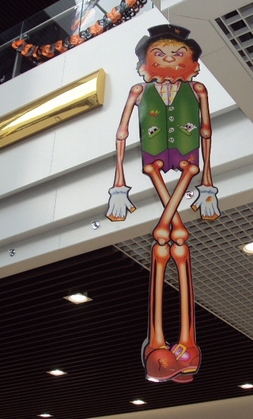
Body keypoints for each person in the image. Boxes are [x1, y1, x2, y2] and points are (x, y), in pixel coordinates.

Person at [106, 24, 221, 383]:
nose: (170, 59)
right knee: (175, 238)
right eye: (160, 54)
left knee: (167, 237)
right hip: (154, 160)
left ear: (194, 64)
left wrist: (207, 182)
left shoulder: (197, 89)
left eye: (178, 54)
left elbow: (205, 131)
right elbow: (123, 132)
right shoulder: (140, 90)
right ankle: (185, 342)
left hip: (187, 161)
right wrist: (119, 185)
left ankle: (161, 342)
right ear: (145, 63)